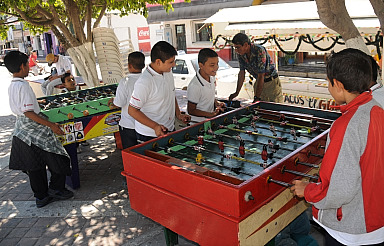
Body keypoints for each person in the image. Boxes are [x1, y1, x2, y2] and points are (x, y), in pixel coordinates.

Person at [291, 48, 384, 246]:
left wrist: (307, 190)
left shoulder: (345, 125)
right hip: (377, 221)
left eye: (328, 82)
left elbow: (340, 189)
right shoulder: (378, 111)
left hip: (352, 231)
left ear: (338, 85)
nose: (329, 87)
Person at [5, 51, 74, 208]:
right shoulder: (24, 86)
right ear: (22, 66)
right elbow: (28, 112)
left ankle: (41, 197)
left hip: (21, 130)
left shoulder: (13, 84)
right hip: (33, 127)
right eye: (28, 64)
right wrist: (52, 126)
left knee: (34, 165)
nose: (29, 67)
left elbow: (24, 107)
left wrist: (38, 102)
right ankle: (56, 189)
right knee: (59, 155)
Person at [128, 41, 190, 142]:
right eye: (170, 62)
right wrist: (155, 126)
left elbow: (171, 93)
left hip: (169, 129)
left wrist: (178, 114)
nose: (174, 65)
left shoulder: (168, 73)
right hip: (149, 135)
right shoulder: (144, 82)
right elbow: (132, 110)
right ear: (158, 62)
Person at [229, 33, 283, 103]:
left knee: (274, 109)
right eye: (234, 47)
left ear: (245, 45)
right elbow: (242, 73)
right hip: (259, 82)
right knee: (259, 110)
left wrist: (257, 97)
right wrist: (236, 92)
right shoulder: (241, 54)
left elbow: (261, 75)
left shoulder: (259, 50)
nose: (236, 50)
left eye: (238, 47)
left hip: (271, 83)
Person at [110, 51, 145, 149]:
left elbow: (118, 103)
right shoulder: (148, 80)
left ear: (129, 65)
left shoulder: (125, 82)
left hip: (129, 126)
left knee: (131, 154)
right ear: (143, 65)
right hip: (146, 126)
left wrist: (113, 101)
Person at [187, 48, 226, 122]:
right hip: (197, 123)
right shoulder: (195, 86)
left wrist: (217, 103)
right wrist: (210, 114)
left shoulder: (212, 77)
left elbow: (209, 96)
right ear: (201, 65)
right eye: (212, 65)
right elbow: (191, 110)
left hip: (209, 120)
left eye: (217, 64)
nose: (216, 67)